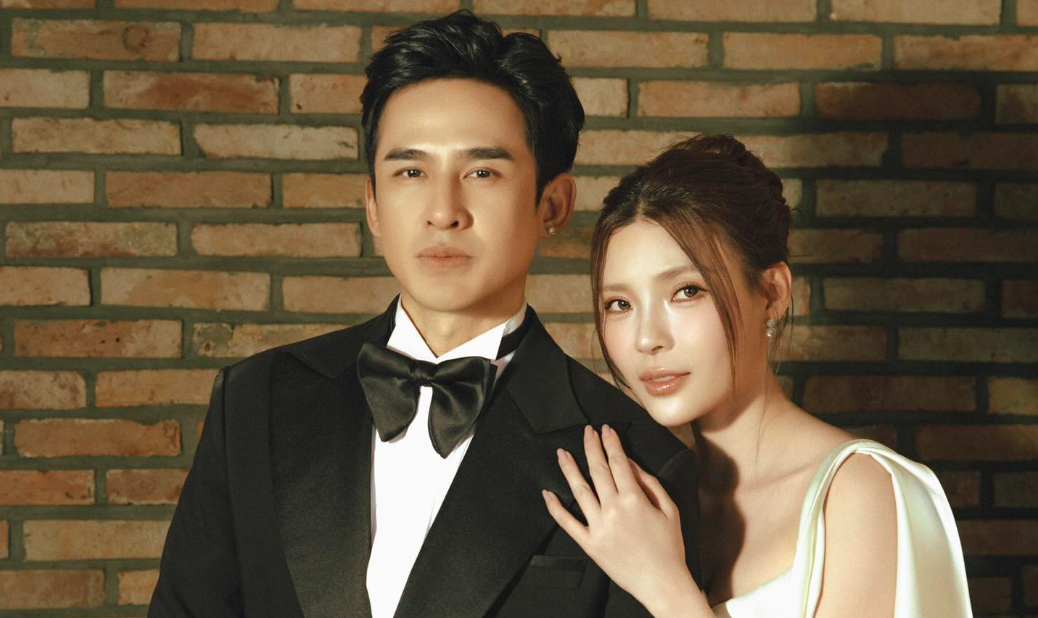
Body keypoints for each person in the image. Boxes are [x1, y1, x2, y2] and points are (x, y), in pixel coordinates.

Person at [148, 10, 698, 618]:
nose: (443, 211)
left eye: (482, 172)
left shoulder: (637, 459)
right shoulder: (254, 401)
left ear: (552, 204)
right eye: (410, 171)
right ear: (373, 204)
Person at [542, 134, 974, 618]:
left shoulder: (859, 493)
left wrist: (664, 586)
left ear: (772, 293)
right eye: (620, 304)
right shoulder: (638, 502)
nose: (647, 339)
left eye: (686, 291)